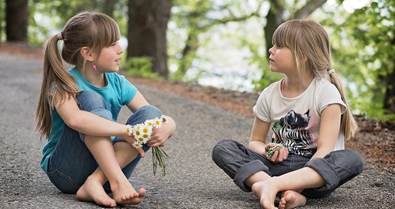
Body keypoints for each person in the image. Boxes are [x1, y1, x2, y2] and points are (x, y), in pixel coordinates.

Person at [212, 19, 363, 209]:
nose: (271, 50)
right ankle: (279, 190)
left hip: (314, 174)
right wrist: (268, 149)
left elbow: (325, 150)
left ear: (303, 55)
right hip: (275, 167)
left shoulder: (326, 93)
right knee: (223, 148)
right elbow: (255, 141)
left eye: (280, 46)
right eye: (273, 44)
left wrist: (297, 183)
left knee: (351, 159)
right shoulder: (269, 94)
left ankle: (269, 187)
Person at [35, 11, 176, 208]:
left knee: (150, 114)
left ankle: (96, 182)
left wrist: (168, 125)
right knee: (90, 99)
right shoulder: (63, 85)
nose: (120, 50)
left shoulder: (118, 83)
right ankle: (117, 182)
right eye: (112, 44)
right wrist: (126, 131)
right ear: (88, 53)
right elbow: (76, 120)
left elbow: (152, 114)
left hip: (106, 169)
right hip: (66, 171)